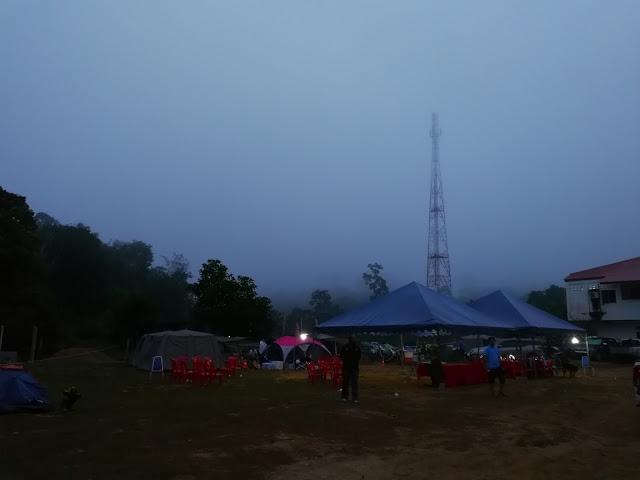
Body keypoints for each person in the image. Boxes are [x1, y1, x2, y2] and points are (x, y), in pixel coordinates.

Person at [340, 336, 361, 403]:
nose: (353, 340)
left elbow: (359, 356)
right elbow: (341, 355)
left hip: (354, 368)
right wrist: (346, 361)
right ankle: (344, 396)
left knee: (354, 383)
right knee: (345, 383)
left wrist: (354, 361)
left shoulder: (357, 348)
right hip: (346, 367)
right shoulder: (345, 347)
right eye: (352, 339)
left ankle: (354, 397)